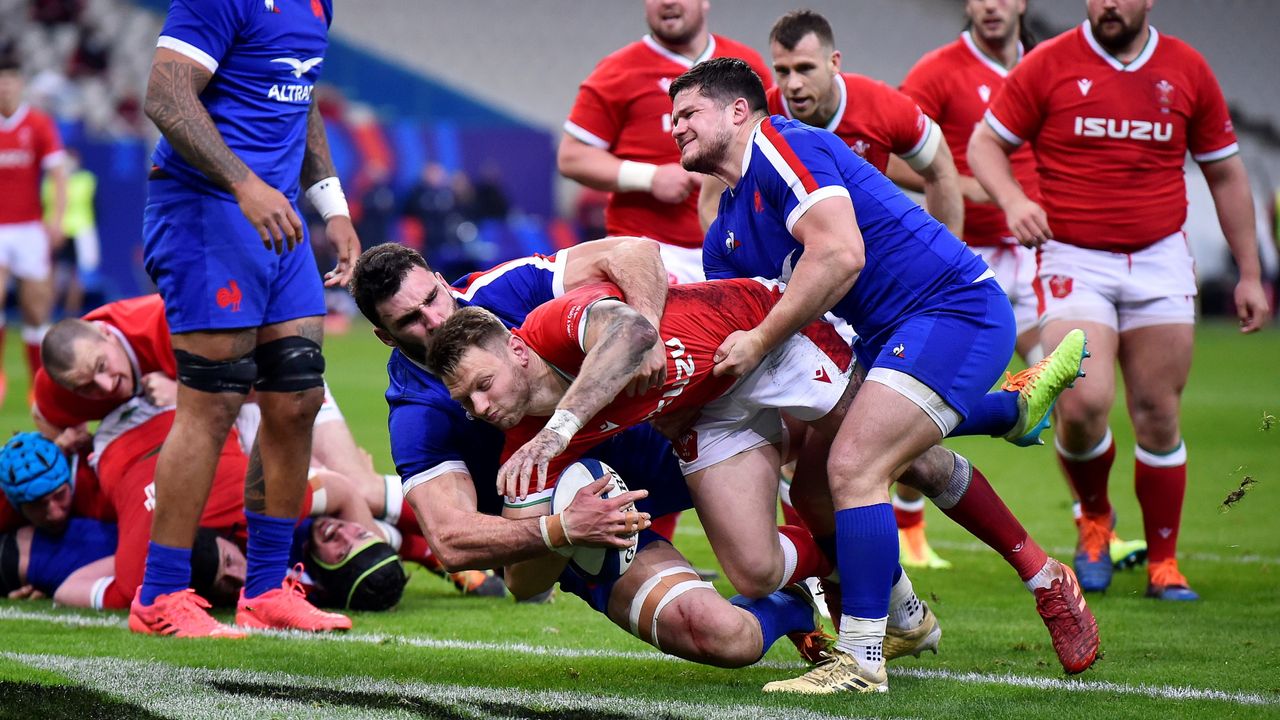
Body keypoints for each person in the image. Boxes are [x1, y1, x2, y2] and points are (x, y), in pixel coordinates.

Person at [668, 58, 1098, 693]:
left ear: (739, 111)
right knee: (817, 489)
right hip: (879, 340)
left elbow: (841, 254)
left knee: (855, 466)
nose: (674, 127)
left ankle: (863, 659)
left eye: (687, 113)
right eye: (671, 118)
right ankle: (996, 577)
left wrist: (757, 340)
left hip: (950, 311)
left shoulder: (783, 141)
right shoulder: (724, 234)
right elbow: (786, 337)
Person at [350, 241, 849, 668]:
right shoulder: (419, 412)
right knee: (719, 637)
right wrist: (564, 529)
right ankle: (791, 604)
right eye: (409, 321)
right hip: (580, 518)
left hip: (660, 433)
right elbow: (451, 541)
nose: (434, 320)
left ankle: (867, 589)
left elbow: (633, 252)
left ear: (440, 280)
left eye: (432, 298)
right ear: (384, 336)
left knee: (843, 437)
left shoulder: (506, 290)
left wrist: (646, 331)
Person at [968, 0, 1271, 600]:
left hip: (1159, 258)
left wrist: (1251, 272)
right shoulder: (1049, 63)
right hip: (1072, 254)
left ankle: (1164, 562)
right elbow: (984, 145)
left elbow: (1227, 173)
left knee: (1158, 411)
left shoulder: (1187, 69)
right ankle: (1095, 520)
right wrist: (1013, 201)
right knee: (1081, 406)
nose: (1107, 3)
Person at [133, 0, 360, 637]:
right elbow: (165, 95)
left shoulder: (318, 3)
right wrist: (243, 183)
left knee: (296, 397)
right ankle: (159, 596)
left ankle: (265, 590)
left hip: (277, 213)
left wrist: (331, 204)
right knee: (213, 401)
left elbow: (300, 95)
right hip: (206, 211)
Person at [901, 0, 1150, 573]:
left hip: (1039, 257)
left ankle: (1094, 527)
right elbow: (891, 154)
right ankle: (907, 526)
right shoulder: (939, 70)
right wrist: (963, 184)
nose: (991, 6)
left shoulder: (1051, 64)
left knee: (1072, 389)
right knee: (922, 389)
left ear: (1021, 5)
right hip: (964, 261)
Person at [763, 8, 966, 570]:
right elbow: (719, 201)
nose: (791, 84)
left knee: (869, 449)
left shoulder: (884, 108)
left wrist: (943, 257)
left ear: (834, 62)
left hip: (879, 302)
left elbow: (941, 169)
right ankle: (841, 581)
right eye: (781, 71)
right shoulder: (765, 122)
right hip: (808, 301)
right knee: (803, 448)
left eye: (804, 68)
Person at [558, 0, 774, 284]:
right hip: (649, 249)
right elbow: (571, 156)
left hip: (739, 246)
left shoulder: (746, 66)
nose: (668, 2)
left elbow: (772, 144)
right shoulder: (617, 71)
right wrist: (650, 177)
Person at [0, 56, 66, 401]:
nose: (4, 86)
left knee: (36, 309)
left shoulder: (38, 125)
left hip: (29, 227)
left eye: (9, 79)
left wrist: (56, 220)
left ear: (19, 83)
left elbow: (58, 172)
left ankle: (36, 383)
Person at [44, 147, 101, 317]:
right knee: (54, 275)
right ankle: (49, 313)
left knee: (77, 277)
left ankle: (70, 314)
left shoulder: (86, 180)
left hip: (78, 232)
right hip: (59, 232)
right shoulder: (52, 180)